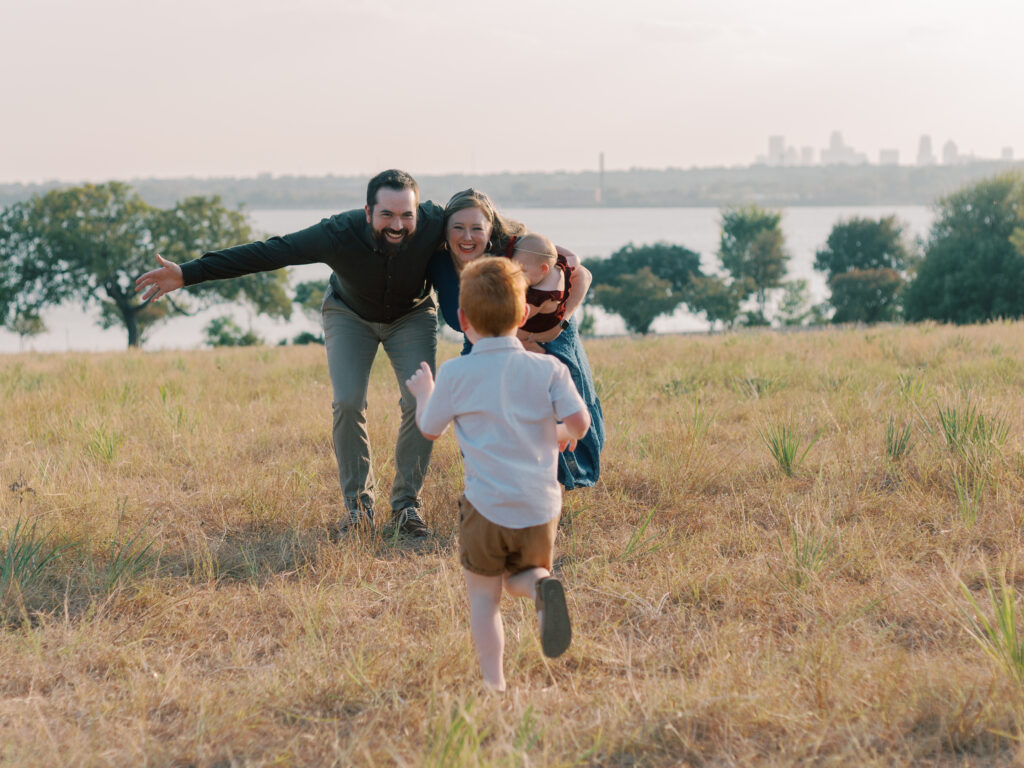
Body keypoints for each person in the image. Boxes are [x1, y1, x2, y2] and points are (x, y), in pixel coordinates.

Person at [135, 169, 440, 538]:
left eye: (407, 215)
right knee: (347, 401)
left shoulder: (435, 222)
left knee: (420, 399)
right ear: (367, 212)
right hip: (350, 314)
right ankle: (359, 509)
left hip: (411, 315)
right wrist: (188, 273)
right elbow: (269, 252)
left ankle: (407, 506)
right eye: (387, 215)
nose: (398, 224)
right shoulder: (336, 234)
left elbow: (482, 224)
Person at [405, 257, 590, 691]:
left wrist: (423, 393)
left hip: (486, 508)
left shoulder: (456, 373)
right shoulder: (549, 369)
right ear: (524, 314)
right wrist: (561, 433)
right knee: (521, 577)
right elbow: (581, 424)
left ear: (463, 320)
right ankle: (541, 586)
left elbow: (430, 429)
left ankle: (495, 684)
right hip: (540, 507)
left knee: (485, 601)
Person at [427, 189, 605, 489]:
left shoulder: (515, 247)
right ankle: (492, 479)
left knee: (552, 402)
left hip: (547, 331)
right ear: (445, 231)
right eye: (457, 227)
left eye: (476, 228)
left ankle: (563, 479)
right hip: (484, 339)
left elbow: (581, 273)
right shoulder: (440, 263)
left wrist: (556, 325)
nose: (467, 236)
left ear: (491, 228)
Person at [508, 232, 574, 336]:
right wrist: (549, 251)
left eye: (522, 270)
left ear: (544, 268)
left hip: (537, 330)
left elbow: (516, 319)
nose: (516, 275)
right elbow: (573, 257)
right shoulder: (560, 267)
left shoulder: (539, 297)